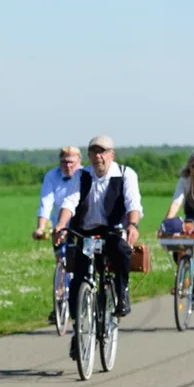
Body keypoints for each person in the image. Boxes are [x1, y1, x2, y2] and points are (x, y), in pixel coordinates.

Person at [53, 135, 143, 359]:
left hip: (113, 230)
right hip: (86, 233)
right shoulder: (82, 175)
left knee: (122, 251)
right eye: (94, 152)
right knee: (77, 283)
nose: (98, 156)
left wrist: (132, 225)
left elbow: (133, 204)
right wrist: (62, 225)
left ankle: (121, 293)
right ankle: (77, 333)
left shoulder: (124, 174)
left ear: (111, 154)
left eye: (103, 152)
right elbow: (69, 202)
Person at [35, 146, 84, 323]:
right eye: (63, 162)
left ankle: (82, 299)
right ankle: (60, 305)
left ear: (79, 162)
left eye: (71, 162)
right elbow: (45, 203)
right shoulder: (52, 176)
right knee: (61, 262)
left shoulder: (85, 175)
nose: (67, 165)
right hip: (60, 227)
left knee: (81, 265)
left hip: (81, 226)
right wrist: (41, 228)